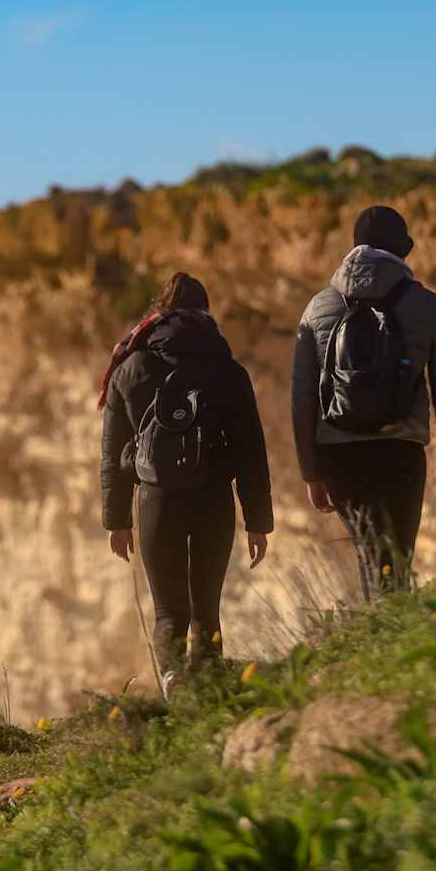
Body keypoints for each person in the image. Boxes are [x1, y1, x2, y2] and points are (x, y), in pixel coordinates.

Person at [99, 272, 273, 693]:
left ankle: (174, 681)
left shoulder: (131, 365)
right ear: (205, 313)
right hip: (214, 497)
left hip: (157, 499)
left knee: (168, 613)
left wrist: (117, 520)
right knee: (206, 610)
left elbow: (114, 450)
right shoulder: (228, 369)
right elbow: (252, 449)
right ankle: (210, 691)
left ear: (160, 312)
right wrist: (257, 521)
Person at [291, 205, 436, 596]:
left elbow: (302, 399)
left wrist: (311, 471)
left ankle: (377, 638)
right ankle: (392, 639)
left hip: (339, 454)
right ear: (402, 252)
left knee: (371, 559)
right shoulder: (428, 307)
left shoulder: (318, 308)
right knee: (395, 562)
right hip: (399, 451)